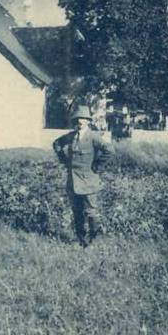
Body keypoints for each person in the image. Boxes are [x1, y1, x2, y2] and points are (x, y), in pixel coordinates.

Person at [52, 104, 112, 247]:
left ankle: (93, 240)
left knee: (91, 211)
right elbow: (56, 144)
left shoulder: (93, 137)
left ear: (88, 121)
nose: (80, 121)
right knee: (76, 211)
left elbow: (109, 150)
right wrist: (63, 159)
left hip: (89, 180)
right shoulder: (71, 137)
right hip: (73, 181)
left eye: (83, 119)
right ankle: (81, 240)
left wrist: (97, 166)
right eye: (77, 119)